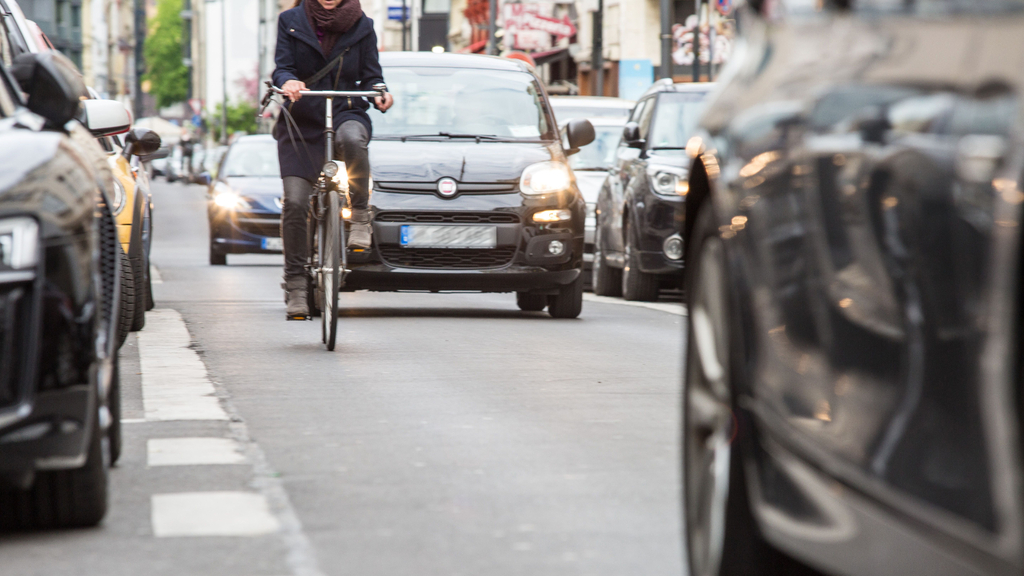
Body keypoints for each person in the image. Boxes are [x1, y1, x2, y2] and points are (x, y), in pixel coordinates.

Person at [272, 0, 393, 319]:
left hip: (345, 111)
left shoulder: (362, 24)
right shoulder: (290, 20)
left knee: (353, 140)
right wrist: (288, 81)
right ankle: (296, 284)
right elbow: (282, 66)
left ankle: (361, 216)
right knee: (296, 203)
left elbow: (371, 75)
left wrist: (380, 91)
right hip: (301, 120)